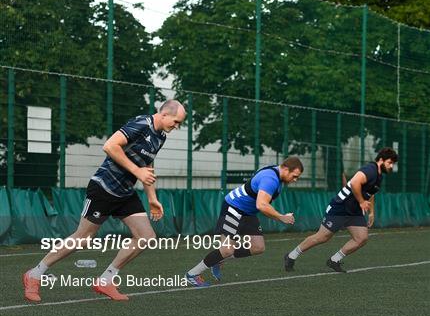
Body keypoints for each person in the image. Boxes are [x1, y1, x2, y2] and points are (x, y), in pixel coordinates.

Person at [23, 99, 186, 302]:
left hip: (125, 193)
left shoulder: (160, 136)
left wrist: (152, 198)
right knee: (83, 239)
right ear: (164, 114)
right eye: (176, 121)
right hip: (104, 187)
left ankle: (106, 280)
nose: (176, 126)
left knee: (145, 236)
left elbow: (148, 166)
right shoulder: (141, 124)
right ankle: (35, 274)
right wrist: (137, 171)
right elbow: (110, 146)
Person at [185, 156, 304, 287]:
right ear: (286, 169)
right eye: (294, 176)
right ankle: (192, 274)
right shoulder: (270, 179)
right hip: (234, 208)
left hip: (248, 212)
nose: (295, 180)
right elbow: (262, 205)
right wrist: (282, 217)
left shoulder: (276, 174)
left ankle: (217, 260)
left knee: (258, 247)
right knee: (226, 250)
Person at [284, 147, 398, 273]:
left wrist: (371, 212)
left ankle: (334, 260)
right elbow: (354, 183)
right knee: (322, 237)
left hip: (354, 211)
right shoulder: (370, 170)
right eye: (389, 162)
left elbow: (371, 194)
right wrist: (361, 202)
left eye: (393, 163)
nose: (391, 166)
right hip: (341, 206)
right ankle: (291, 256)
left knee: (361, 238)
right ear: (381, 160)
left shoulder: (379, 176)